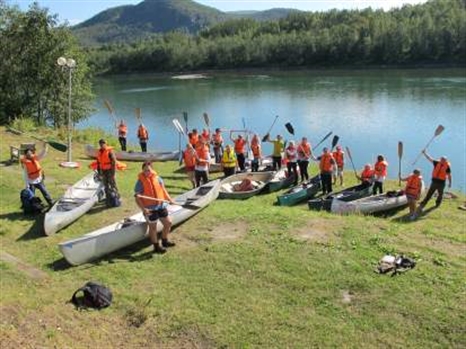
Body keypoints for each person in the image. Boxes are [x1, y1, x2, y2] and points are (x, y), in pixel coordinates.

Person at [135, 162, 176, 254]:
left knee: (168, 223)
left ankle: (164, 241)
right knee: (153, 228)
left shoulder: (158, 179)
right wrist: (144, 209)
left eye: (148, 170)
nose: (147, 172)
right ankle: (156, 247)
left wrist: (170, 199)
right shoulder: (140, 182)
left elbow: (163, 190)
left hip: (161, 206)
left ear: (152, 170)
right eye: (145, 171)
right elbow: (137, 198)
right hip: (150, 209)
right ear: (142, 171)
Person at [20, 142, 53, 206]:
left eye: (30, 153)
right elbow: (25, 174)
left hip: (39, 180)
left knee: (45, 192)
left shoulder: (35, 158)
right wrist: (27, 185)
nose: (29, 154)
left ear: (32, 153)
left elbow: (43, 153)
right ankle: (30, 207)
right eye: (28, 154)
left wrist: (45, 146)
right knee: (31, 195)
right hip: (31, 182)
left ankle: (51, 203)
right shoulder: (25, 163)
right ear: (25, 155)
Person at [96, 139, 120, 207]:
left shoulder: (110, 152)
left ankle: (117, 197)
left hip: (110, 170)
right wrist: (99, 172)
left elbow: (114, 162)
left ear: (105, 144)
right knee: (105, 185)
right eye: (100, 144)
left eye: (103, 143)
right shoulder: (99, 152)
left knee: (113, 184)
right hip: (103, 171)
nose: (102, 145)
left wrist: (113, 173)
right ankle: (108, 199)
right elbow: (98, 162)